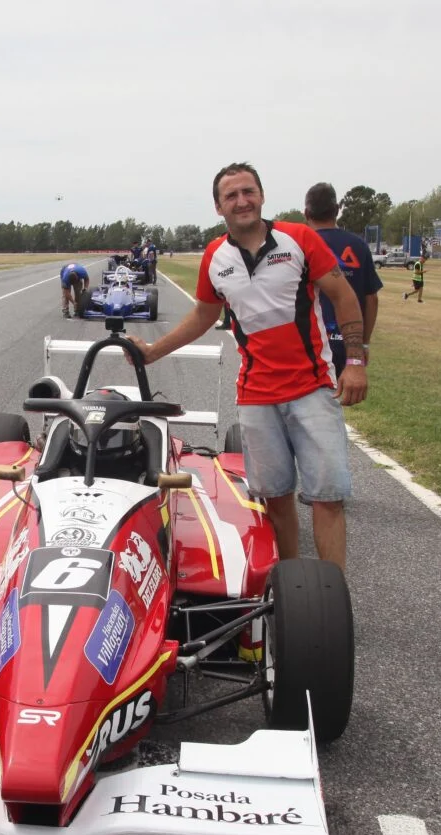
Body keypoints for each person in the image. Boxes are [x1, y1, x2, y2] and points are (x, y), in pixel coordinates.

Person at [127, 162, 367, 571]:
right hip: (257, 396)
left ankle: (333, 594)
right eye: (231, 195)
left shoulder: (299, 238)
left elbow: (343, 296)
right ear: (218, 207)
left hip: (312, 389)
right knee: (275, 498)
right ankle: (292, 590)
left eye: (248, 191)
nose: (242, 201)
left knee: (327, 498)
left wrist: (356, 361)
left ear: (261, 196)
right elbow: (203, 316)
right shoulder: (215, 256)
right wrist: (153, 352)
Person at [304, 182, 381, 372]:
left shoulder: (301, 245)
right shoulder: (359, 246)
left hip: (310, 345)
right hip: (347, 343)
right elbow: (371, 298)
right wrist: (363, 344)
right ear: (337, 210)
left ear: (306, 213)